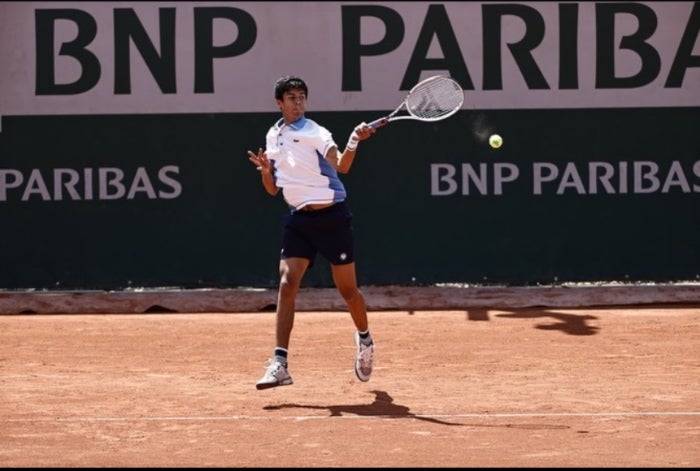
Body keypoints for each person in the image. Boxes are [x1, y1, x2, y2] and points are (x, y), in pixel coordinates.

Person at [247, 75, 376, 390]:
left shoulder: (316, 132)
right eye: (291, 97)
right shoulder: (273, 134)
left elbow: (342, 166)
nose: (298, 103)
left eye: (302, 97)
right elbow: (272, 189)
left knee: (347, 291)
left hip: (332, 217)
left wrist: (355, 140)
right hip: (298, 220)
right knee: (287, 283)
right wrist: (266, 172)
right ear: (279, 102)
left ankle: (366, 339)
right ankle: (280, 363)